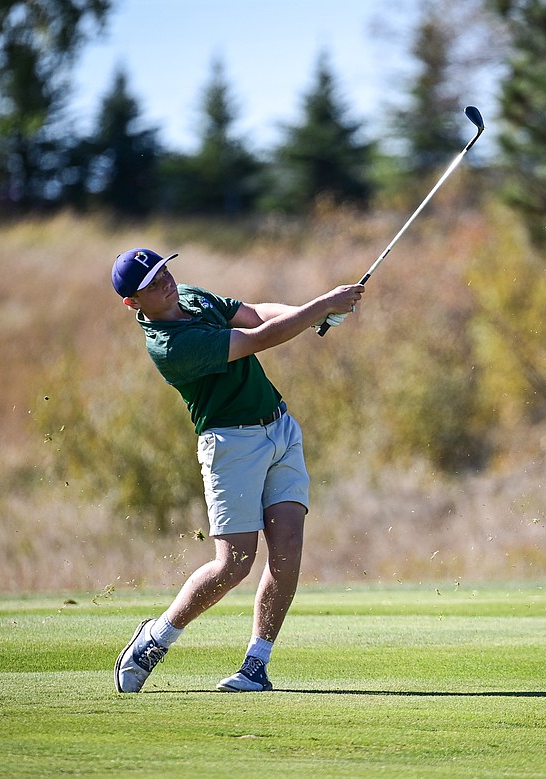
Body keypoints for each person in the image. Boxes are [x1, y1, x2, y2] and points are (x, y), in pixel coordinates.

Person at [110, 247, 364, 693]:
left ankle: (255, 666)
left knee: (287, 549)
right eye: (152, 283)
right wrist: (321, 306)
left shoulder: (190, 297)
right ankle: (158, 636)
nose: (166, 282)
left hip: (280, 428)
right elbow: (257, 340)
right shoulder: (171, 347)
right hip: (230, 445)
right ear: (133, 303)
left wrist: (313, 316)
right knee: (234, 564)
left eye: (164, 271)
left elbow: (252, 314)